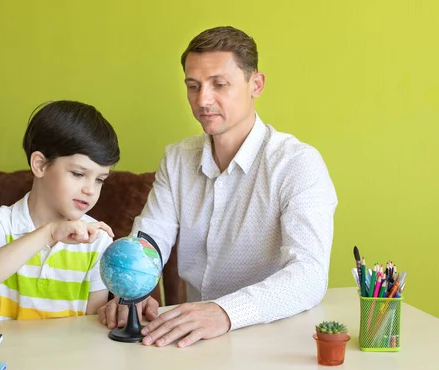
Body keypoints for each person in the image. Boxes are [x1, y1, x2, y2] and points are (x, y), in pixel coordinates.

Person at [98, 26, 338, 347]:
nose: (203, 100)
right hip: (196, 341)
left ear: (256, 85)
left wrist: (225, 312)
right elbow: (150, 239)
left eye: (219, 85)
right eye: (193, 86)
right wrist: (134, 291)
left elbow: (309, 274)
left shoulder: (297, 163)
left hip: (275, 340)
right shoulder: (178, 158)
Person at [0, 100, 120, 321]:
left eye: (100, 180)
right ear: (39, 165)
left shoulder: (96, 240)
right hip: (8, 354)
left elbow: (92, 325)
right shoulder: (1, 222)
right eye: (78, 174)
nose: (90, 190)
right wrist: (49, 233)